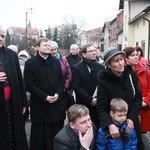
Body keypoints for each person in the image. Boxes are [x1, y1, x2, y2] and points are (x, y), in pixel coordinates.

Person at [96, 47, 143, 150]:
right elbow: (101, 106)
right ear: (109, 65)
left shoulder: (130, 73)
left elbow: (138, 97)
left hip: (131, 122)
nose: (121, 63)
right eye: (116, 61)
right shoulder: (103, 79)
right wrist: (109, 125)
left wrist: (131, 117)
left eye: (122, 59)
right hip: (114, 126)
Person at [24, 37, 65, 150]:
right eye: (45, 45)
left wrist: (58, 93)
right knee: (40, 140)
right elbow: (29, 84)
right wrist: (45, 97)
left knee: (55, 136)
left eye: (49, 45)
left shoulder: (56, 62)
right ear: (37, 48)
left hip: (55, 106)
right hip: (40, 107)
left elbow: (62, 80)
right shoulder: (30, 63)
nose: (48, 47)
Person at [0, 26, 28, 149]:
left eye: (2, 36)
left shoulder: (11, 54)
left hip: (12, 101)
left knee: (14, 131)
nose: (1, 39)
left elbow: (19, 79)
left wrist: (23, 102)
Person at [72, 43, 105, 128]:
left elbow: (103, 85)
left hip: (98, 105)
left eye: (95, 50)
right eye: (91, 51)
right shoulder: (76, 68)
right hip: (83, 105)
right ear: (84, 54)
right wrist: (90, 100)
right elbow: (76, 87)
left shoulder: (101, 67)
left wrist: (98, 99)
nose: (94, 53)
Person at [123, 46, 150, 133]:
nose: (136, 57)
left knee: (141, 133)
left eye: (136, 55)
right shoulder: (121, 72)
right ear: (126, 58)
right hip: (129, 109)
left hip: (143, 108)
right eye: (132, 55)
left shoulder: (145, 71)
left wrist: (146, 101)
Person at [50, 40, 72, 128]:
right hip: (50, 91)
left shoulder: (63, 60)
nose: (53, 51)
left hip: (62, 91)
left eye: (55, 49)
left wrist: (65, 87)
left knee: (60, 114)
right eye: (51, 49)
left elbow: (69, 74)